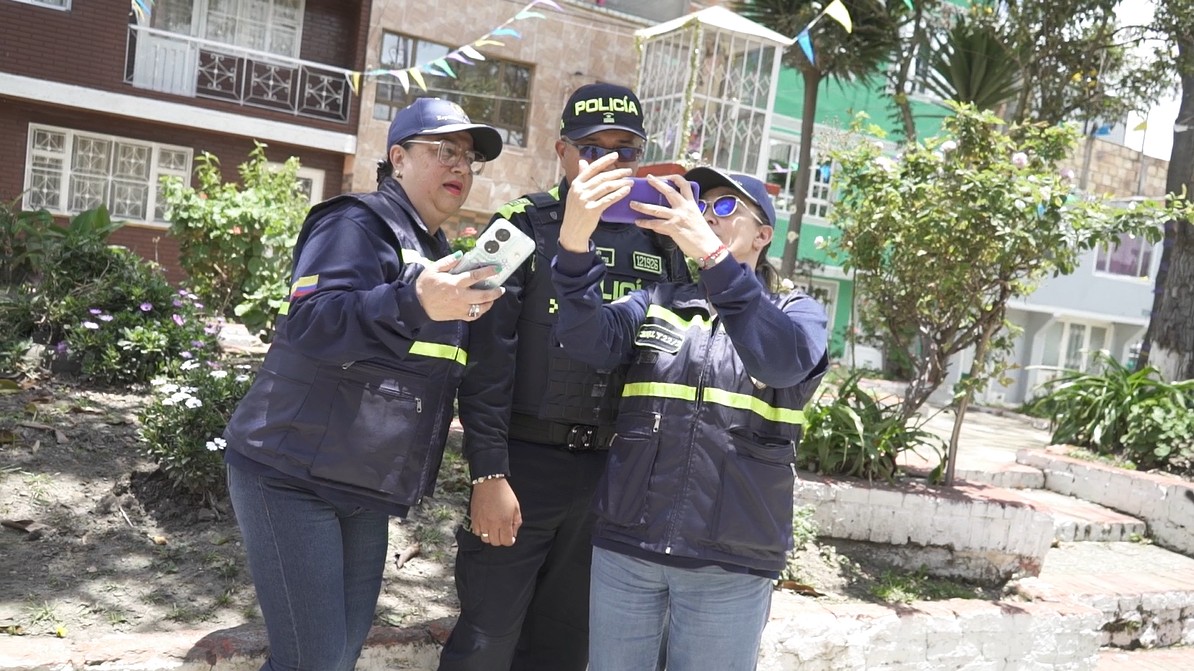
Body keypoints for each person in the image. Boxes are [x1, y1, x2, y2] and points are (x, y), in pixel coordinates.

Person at [222, 97, 506, 671]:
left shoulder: (442, 256)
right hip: (289, 473)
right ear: (398, 158)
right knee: (313, 661)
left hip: (362, 486)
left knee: (338, 656)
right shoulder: (356, 222)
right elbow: (309, 322)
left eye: (470, 159)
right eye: (444, 151)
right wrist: (414, 299)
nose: (460, 167)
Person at [438, 83, 687, 671]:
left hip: (613, 477)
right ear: (561, 152)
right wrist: (488, 473)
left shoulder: (666, 242)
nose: (607, 161)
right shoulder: (517, 225)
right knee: (486, 640)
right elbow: (477, 359)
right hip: (524, 467)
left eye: (623, 149)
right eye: (590, 147)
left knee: (567, 646)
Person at [550, 165, 830, 671]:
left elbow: (779, 362)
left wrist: (713, 256)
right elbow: (584, 341)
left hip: (729, 561)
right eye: (701, 205)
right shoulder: (660, 299)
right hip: (629, 548)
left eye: (725, 208)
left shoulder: (795, 312)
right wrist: (573, 242)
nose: (706, 216)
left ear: (762, 235)